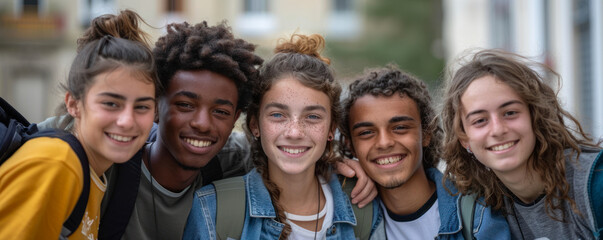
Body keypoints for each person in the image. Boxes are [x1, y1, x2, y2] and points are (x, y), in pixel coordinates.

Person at [0, 10, 159, 239]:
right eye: (111, 103)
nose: (127, 121)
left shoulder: (92, 176)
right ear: (73, 104)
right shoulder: (57, 163)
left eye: (142, 106)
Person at [184, 33, 360, 239]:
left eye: (312, 116)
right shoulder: (212, 210)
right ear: (254, 124)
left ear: (332, 129)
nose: (294, 132)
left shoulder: (363, 205)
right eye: (278, 115)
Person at [441, 49, 603, 239]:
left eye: (510, 113)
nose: (498, 130)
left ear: (535, 116)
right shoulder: (480, 211)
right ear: (464, 139)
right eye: (480, 120)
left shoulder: (594, 183)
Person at [338, 65, 510, 239]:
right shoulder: (345, 218)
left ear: (426, 133)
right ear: (350, 144)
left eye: (400, 128)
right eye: (366, 133)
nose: (384, 143)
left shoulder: (478, 215)